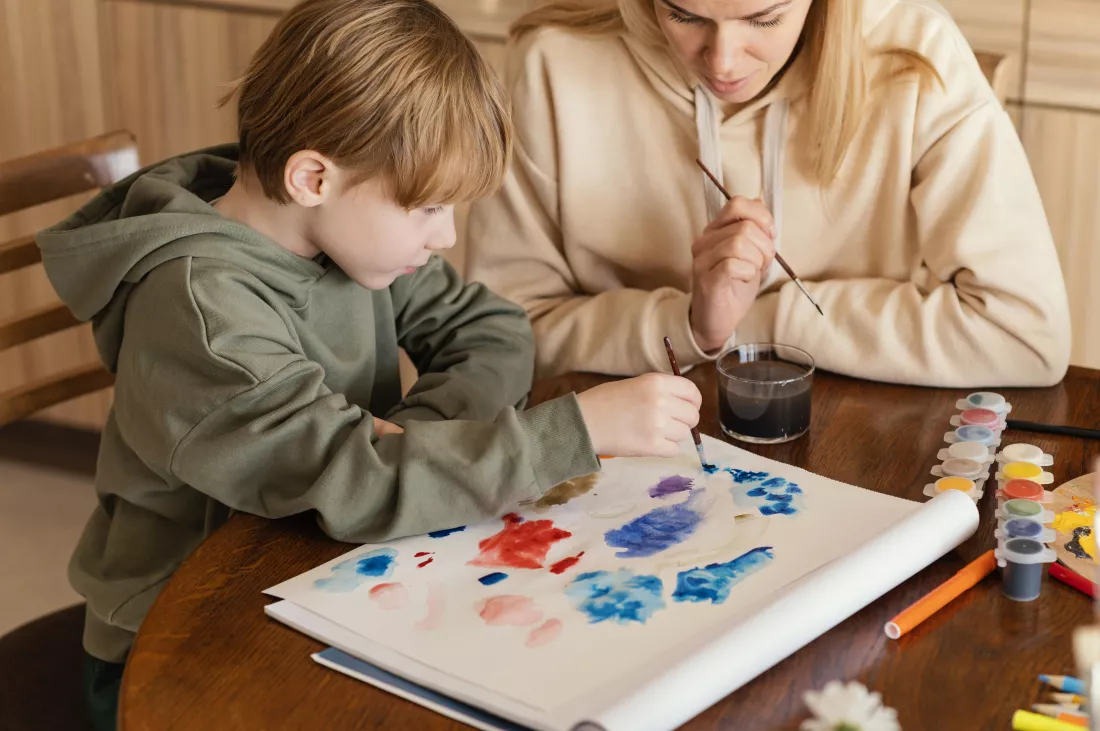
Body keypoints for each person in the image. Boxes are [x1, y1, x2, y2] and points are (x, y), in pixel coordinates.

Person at [35, 1, 702, 728]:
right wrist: (566, 431)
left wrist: (408, 444)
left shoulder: (338, 229)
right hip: (180, 638)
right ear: (312, 178)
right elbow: (354, 483)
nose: (446, 235)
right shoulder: (201, 313)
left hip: (319, 574)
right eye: (427, 209)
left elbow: (493, 330)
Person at [466, 0, 1072, 386]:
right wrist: (689, 326)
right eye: (684, 14)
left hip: (855, 444)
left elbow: (1026, 334)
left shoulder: (919, 55)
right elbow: (499, 336)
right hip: (625, 443)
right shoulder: (552, 62)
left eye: (763, 19)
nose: (723, 60)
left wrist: (747, 323)